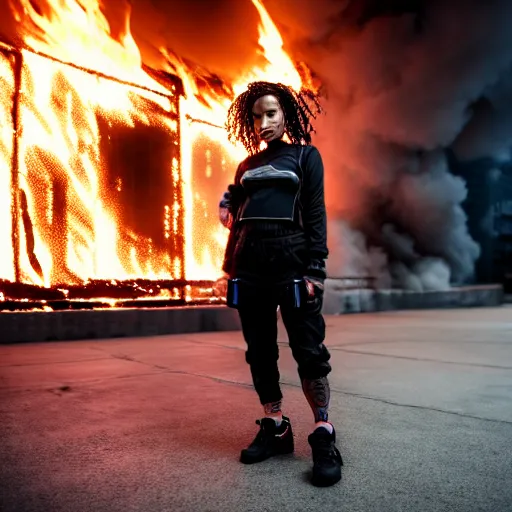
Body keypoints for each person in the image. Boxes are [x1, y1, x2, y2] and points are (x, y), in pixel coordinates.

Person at [218, 81, 342, 487]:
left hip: (292, 264)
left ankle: (323, 432)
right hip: (249, 267)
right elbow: (236, 223)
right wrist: (226, 269)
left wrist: (316, 270)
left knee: (309, 351)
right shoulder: (246, 167)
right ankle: (276, 426)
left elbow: (316, 213)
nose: (264, 122)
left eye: (271, 113)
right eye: (256, 116)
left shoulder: (306, 157)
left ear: (286, 114)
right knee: (260, 351)